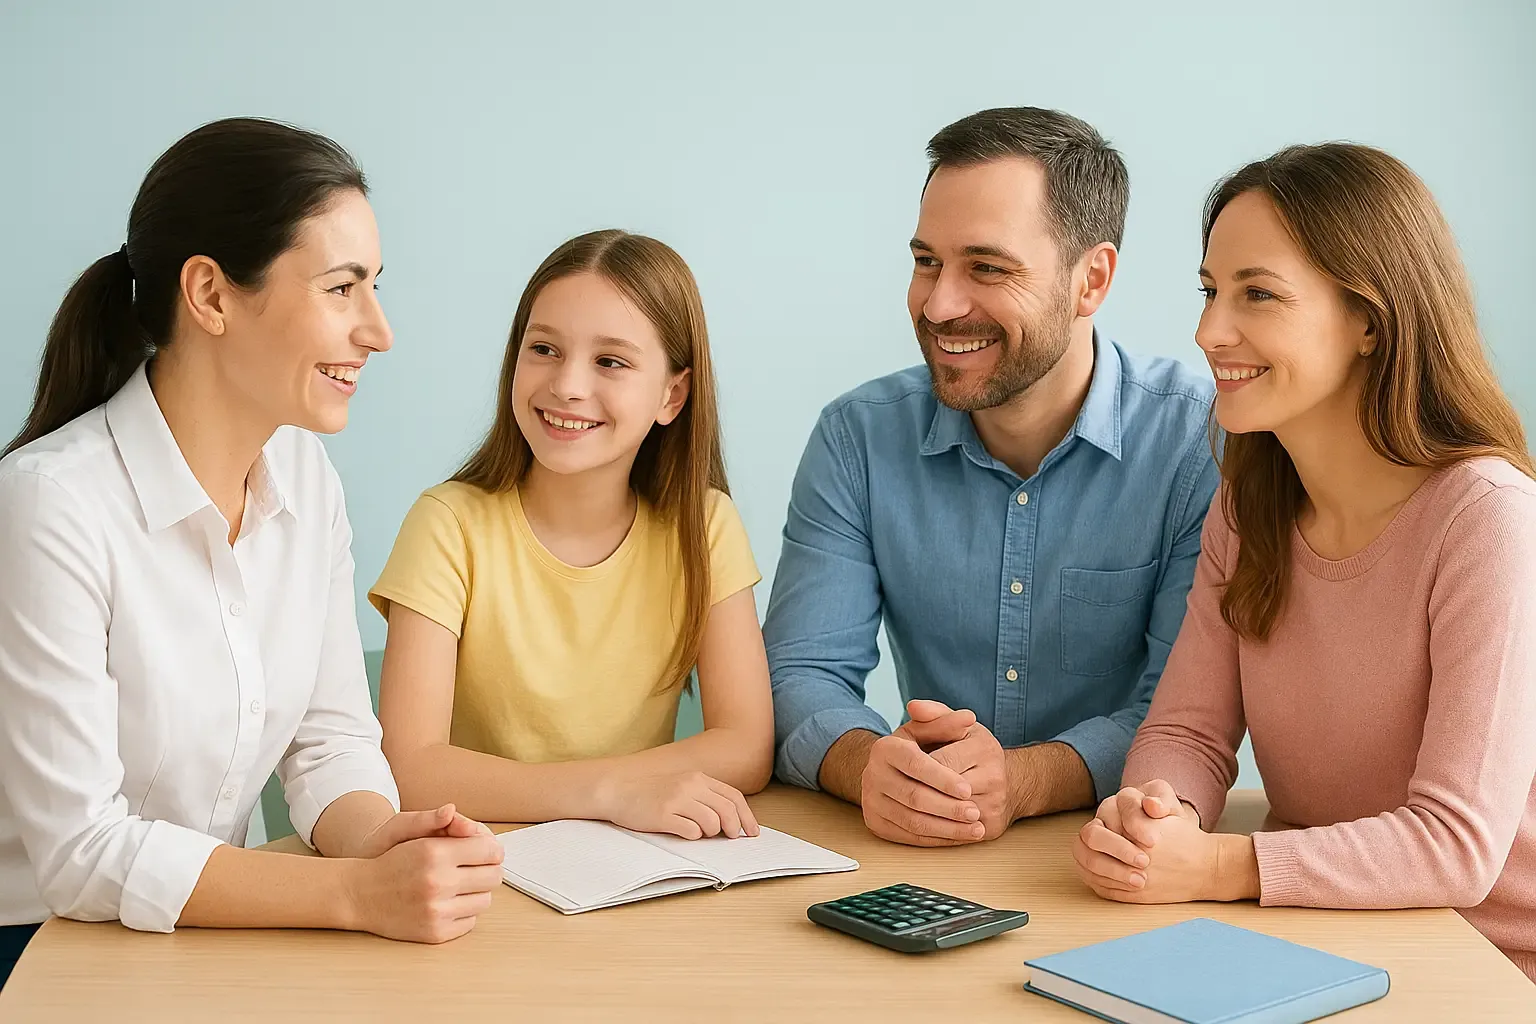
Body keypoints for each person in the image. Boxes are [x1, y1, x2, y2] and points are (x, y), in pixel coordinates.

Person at [0, 118, 506, 989]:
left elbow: (329, 739)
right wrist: (354, 894)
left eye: (376, 287)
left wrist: (378, 838)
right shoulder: (51, 503)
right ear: (211, 295)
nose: (378, 330)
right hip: (39, 950)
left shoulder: (308, 479)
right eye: (342, 289)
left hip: (204, 936)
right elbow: (81, 854)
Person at [1071, 143, 1536, 982]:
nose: (1210, 331)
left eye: (1259, 294)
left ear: (1369, 319)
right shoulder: (1250, 509)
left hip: (1491, 960)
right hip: (1325, 938)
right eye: (1211, 291)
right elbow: (1188, 730)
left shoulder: (1488, 520)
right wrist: (1154, 819)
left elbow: (1457, 845)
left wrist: (1214, 867)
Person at [763, 106, 1220, 847]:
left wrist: (1024, 779)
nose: (940, 304)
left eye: (987, 267)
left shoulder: (1198, 445)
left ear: (1091, 279)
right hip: (917, 858)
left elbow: (1183, 716)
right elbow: (797, 673)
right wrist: (870, 765)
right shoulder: (857, 438)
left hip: (1113, 856)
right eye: (926, 261)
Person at [370, 230, 772, 840]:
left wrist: (614, 798)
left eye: (610, 361)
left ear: (672, 394)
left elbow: (745, 746)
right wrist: (610, 793)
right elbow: (408, 767)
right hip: (482, 864)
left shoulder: (705, 526)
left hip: (637, 863)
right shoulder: (447, 525)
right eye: (544, 350)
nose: (567, 385)